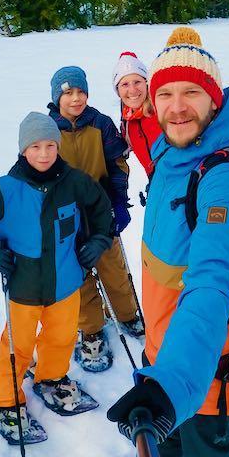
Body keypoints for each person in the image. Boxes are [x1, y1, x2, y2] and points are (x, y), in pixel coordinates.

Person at [106, 27, 229, 457]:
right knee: (181, 434)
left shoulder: (226, 178)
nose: (177, 107)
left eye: (191, 93)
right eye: (166, 94)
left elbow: (212, 284)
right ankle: (165, 445)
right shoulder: (170, 153)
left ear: (214, 100)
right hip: (167, 341)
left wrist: (171, 384)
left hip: (206, 359)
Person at [0, 111, 113, 439]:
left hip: (66, 280)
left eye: (50, 145)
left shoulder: (75, 182)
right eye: (35, 146)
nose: (43, 153)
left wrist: (98, 240)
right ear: (23, 150)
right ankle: (2, 399)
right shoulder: (6, 189)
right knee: (18, 345)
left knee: (61, 337)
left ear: (58, 146)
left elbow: (101, 209)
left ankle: (52, 378)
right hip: (23, 285)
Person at [47, 65, 143, 372]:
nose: (76, 99)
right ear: (56, 97)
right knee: (78, 275)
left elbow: (117, 165)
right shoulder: (48, 129)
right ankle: (90, 328)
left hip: (101, 211)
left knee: (112, 267)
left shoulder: (100, 123)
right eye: (68, 93)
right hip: (66, 217)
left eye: (81, 92)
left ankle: (127, 313)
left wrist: (119, 201)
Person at [113, 51, 162, 177]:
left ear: (146, 83)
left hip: (183, 182)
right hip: (155, 183)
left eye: (137, 82)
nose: (132, 90)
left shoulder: (161, 111)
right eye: (125, 84)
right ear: (118, 90)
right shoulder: (127, 121)